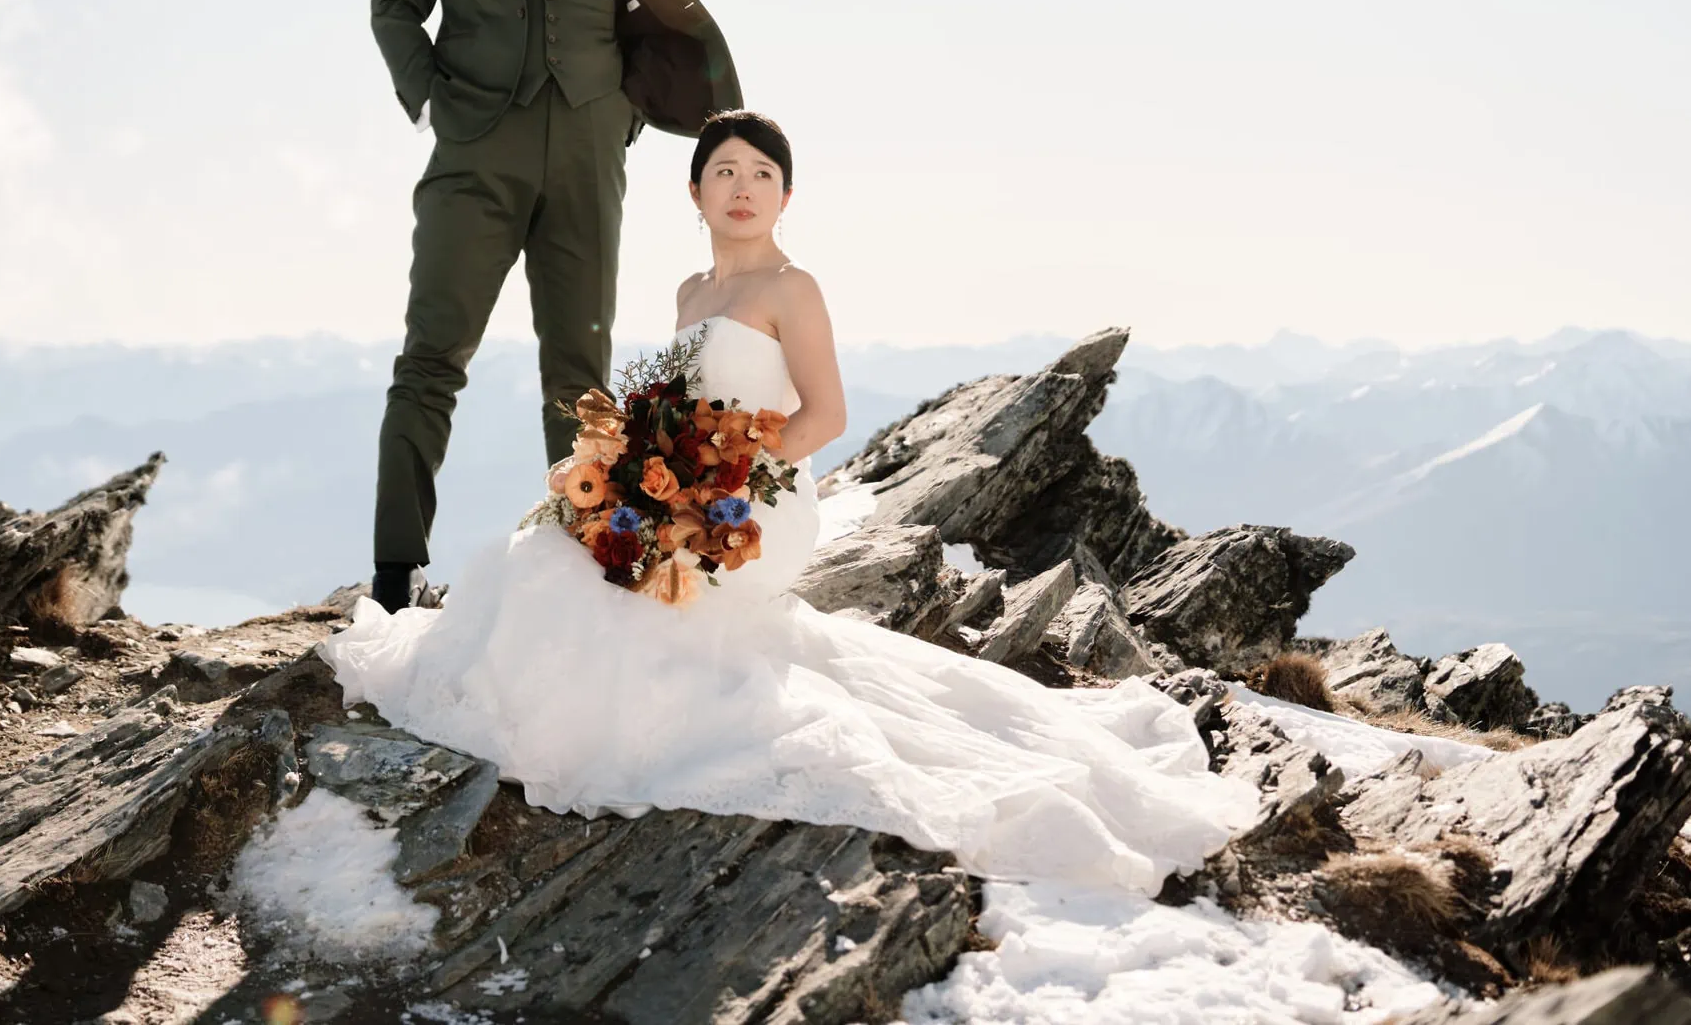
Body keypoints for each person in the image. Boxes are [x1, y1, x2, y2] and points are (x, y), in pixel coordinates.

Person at [325, 113, 1260, 887]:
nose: (742, 186)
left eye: (762, 172)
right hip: (680, 487)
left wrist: (724, 475)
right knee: (544, 559)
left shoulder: (791, 286)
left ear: (785, 194)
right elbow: (669, 406)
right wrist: (627, 466)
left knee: (621, 596)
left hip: (755, 502)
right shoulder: (691, 290)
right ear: (693, 195)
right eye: (722, 171)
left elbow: (826, 415)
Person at [367, 0, 739, 615]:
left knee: (579, 376)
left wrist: (617, 118)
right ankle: (391, 574)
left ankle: (574, 576)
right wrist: (439, 103)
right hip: (475, 146)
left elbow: (656, 11)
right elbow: (394, 3)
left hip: (586, 144)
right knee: (431, 359)